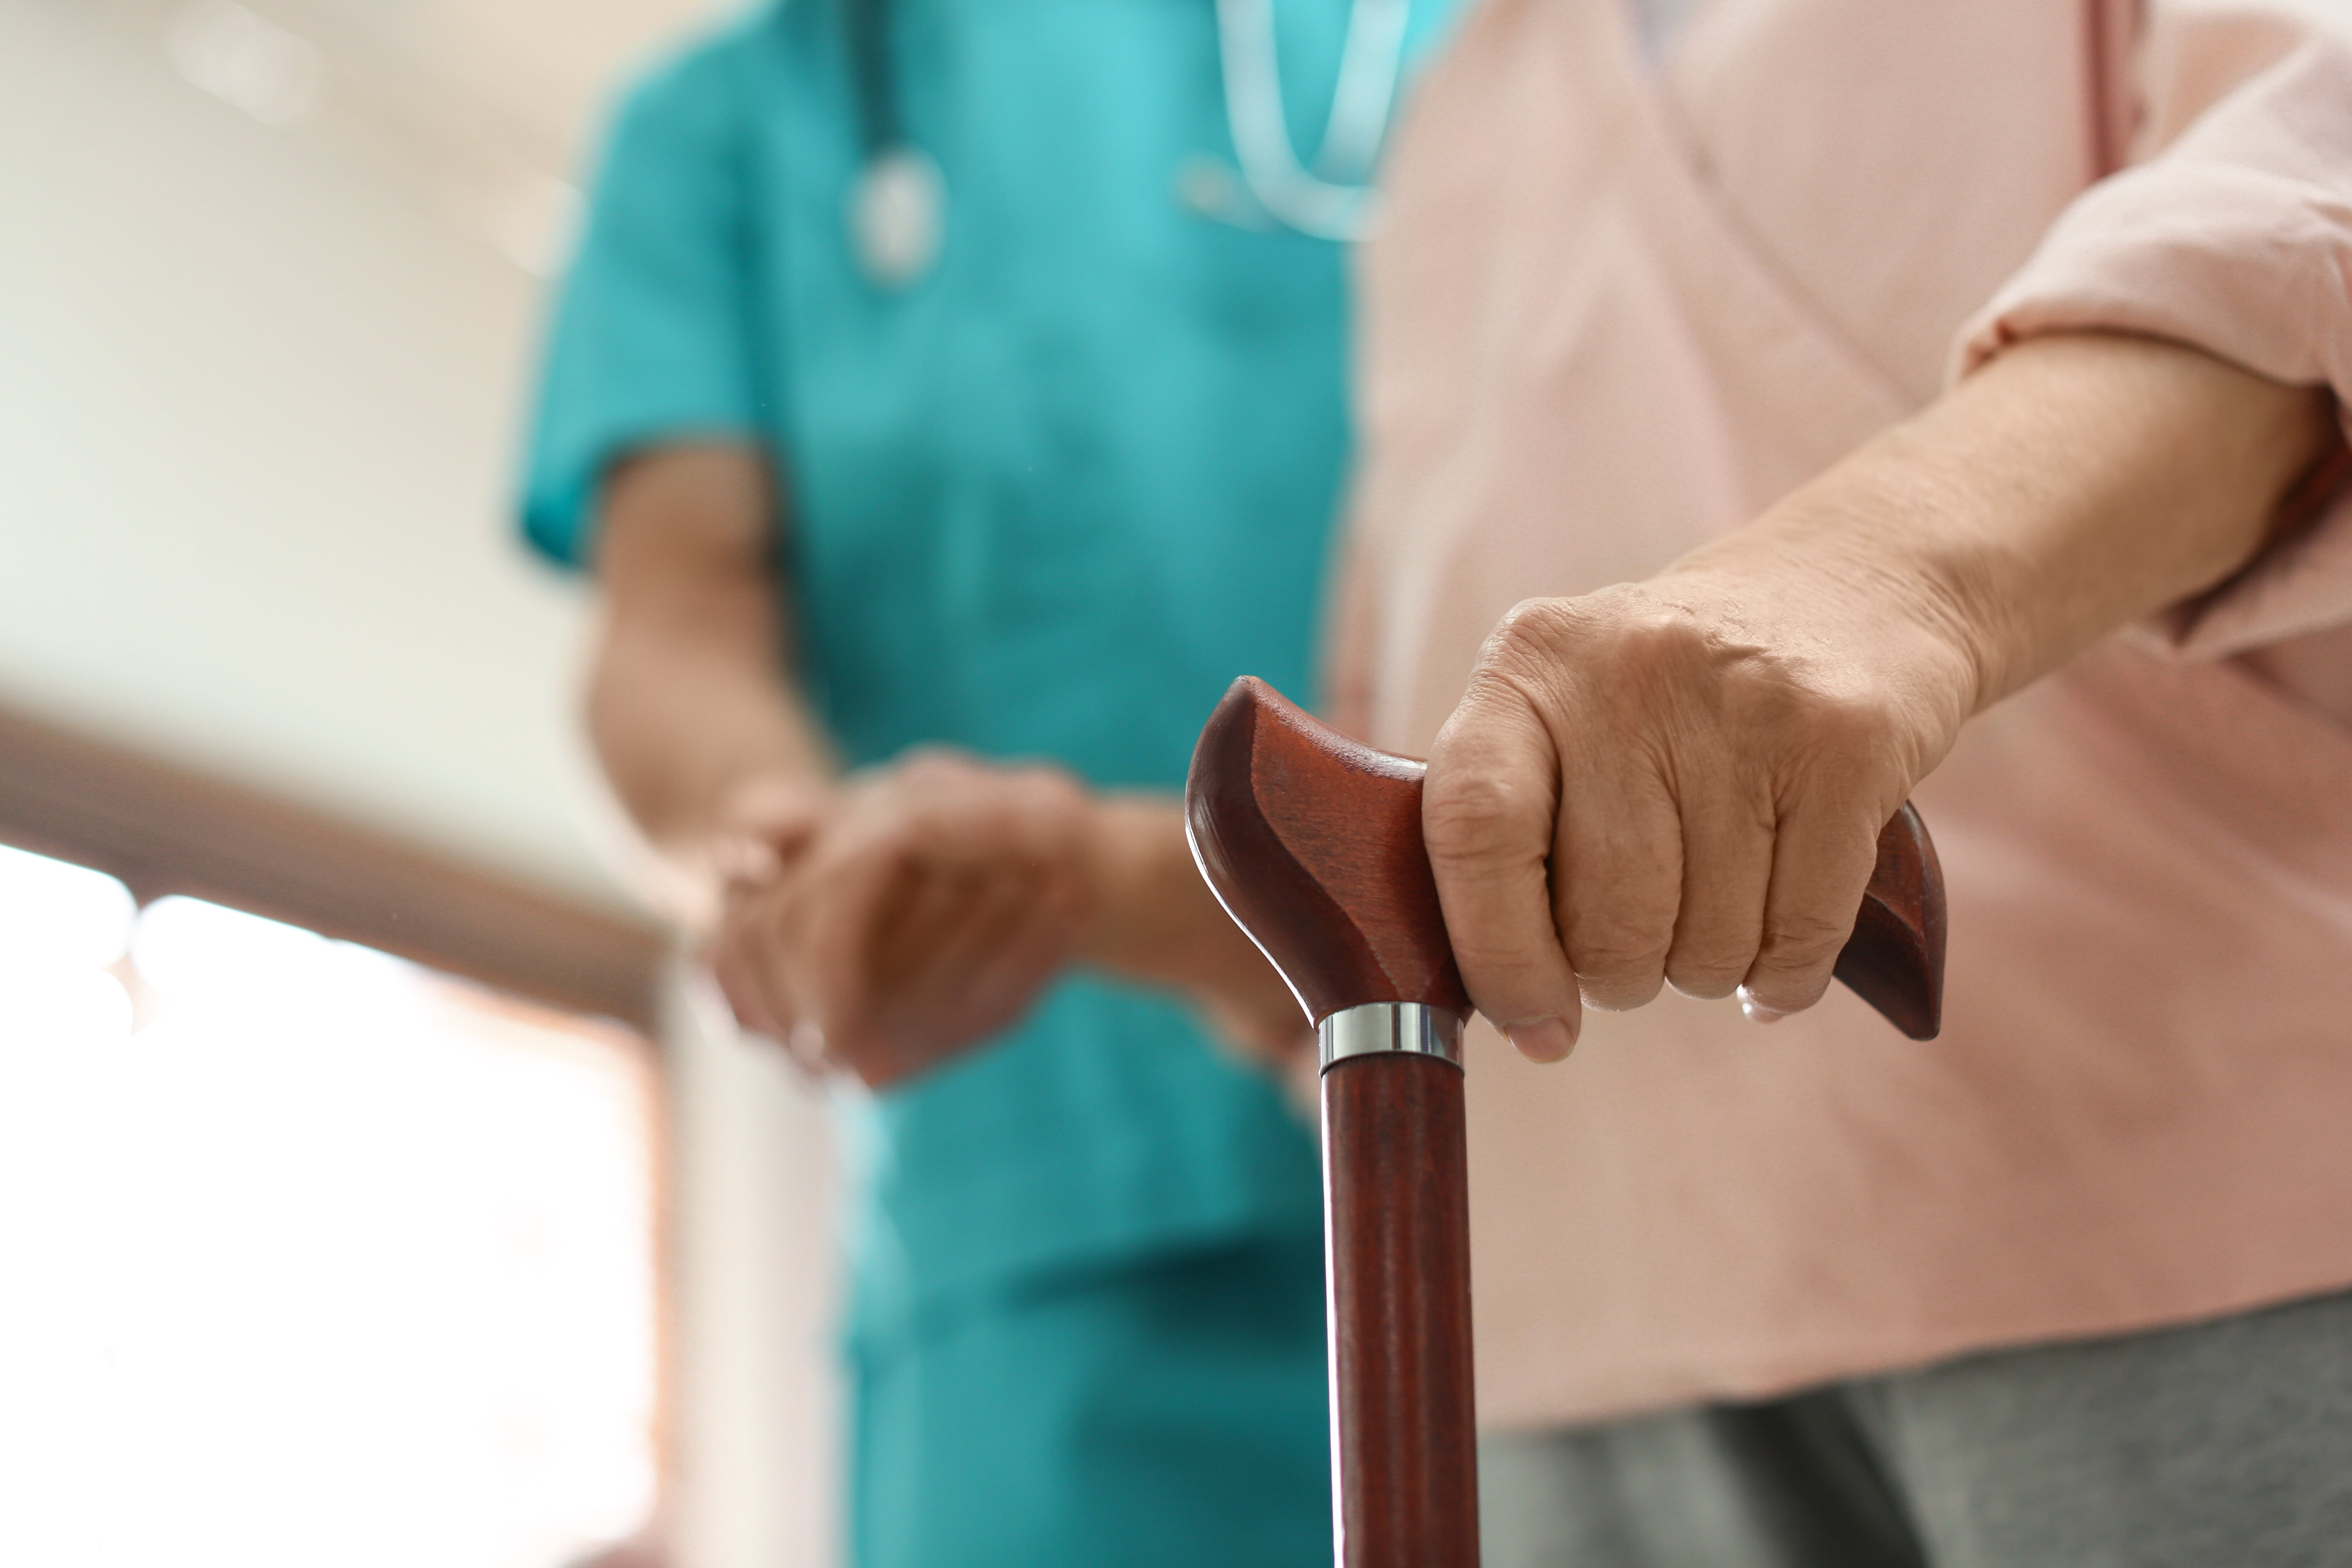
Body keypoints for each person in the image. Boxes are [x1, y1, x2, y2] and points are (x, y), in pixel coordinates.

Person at [1320, 0, 2352, 1562]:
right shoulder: (1465, 110)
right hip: (1566, 1351)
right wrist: (1098, 886)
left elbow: (2311, 188)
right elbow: (1439, 798)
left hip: (2183, 1247)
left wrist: (1873, 579)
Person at [517, 0, 1450, 1563]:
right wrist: (799, 850)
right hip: (1040, 1221)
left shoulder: (1457, 45)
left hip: (1563, 1125)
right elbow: (672, 631)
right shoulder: (738, 126)